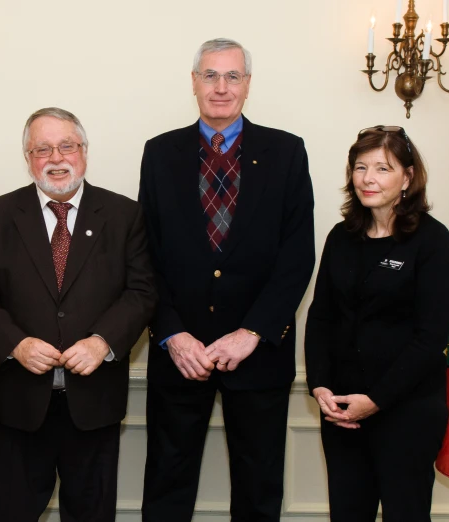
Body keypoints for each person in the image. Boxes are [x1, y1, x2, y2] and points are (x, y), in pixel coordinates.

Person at [139, 38, 315, 521]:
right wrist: (172, 334)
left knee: (259, 492)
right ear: (194, 83)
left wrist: (253, 331)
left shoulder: (286, 151)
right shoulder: (159, 153)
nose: (221, 87)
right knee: (166, 487)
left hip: (258, 357)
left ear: (248, 85)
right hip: (181, 356)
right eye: (211, 76)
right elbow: (145, 256)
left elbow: (298, 257)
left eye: (232, 76)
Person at [0, 107, 157, 522]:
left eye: (66, 145)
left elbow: (141, 292)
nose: (56, 157)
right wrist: (16, 344)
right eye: (42, 148)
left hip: (94, 404)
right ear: (28, 157)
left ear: (83, 151)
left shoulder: (124, 215)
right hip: (18, 404)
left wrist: (102, 342)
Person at [304, 126, 449, 522]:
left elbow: (430, 338)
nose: (368, 178)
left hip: (406, 411)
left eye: (382, 168)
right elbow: (321, 316)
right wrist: (319, 384)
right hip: (341, 410)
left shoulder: (432, 240)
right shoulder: (341, 237)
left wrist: (375, 401)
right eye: (360, 167)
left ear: (408, 177)